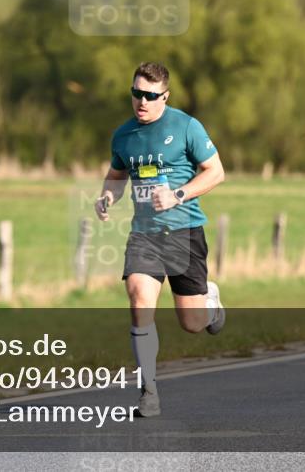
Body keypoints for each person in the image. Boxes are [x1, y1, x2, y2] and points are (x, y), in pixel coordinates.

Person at [95, 62, 226, 418]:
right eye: (137, 93)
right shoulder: (123, 135)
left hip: (184, 233)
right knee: (139, 301)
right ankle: (148, 390)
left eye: (151, 96)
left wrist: (178, 195)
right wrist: (108, 197)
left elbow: (216, 171)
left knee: (193, 324)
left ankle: (209, 299)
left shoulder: (186, 126)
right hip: (144, 236)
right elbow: (116, 175)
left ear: (164, 96)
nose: (142, 101)